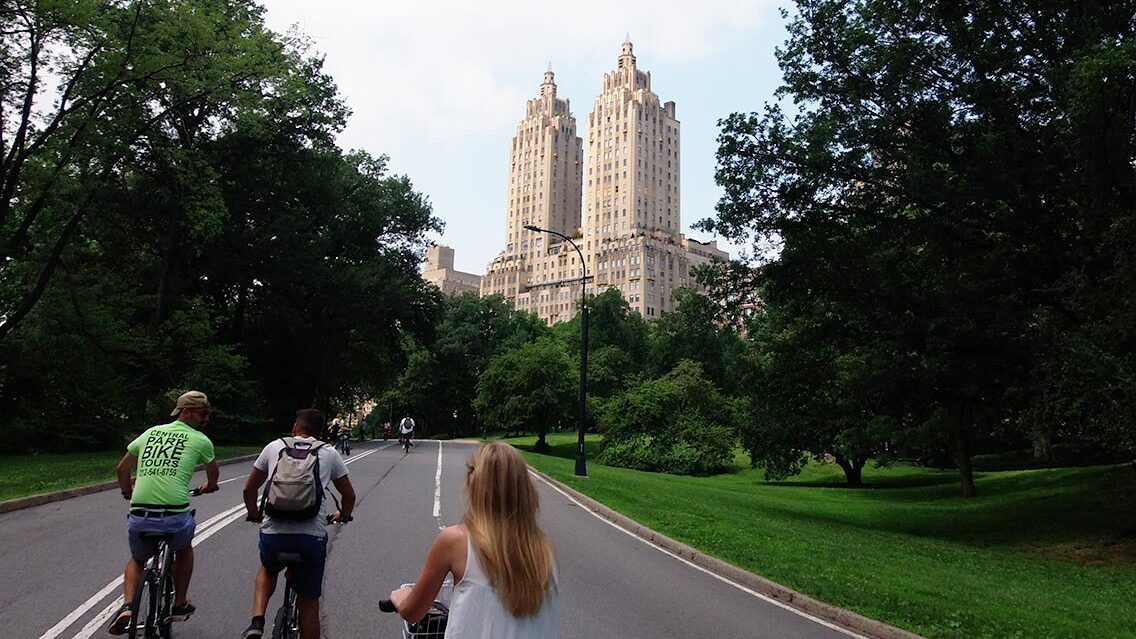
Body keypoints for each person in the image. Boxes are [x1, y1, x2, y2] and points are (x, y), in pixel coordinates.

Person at [388, 442, 558, 638]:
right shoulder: (545, 550)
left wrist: (401, 598)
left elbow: (413, 612)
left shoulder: (454, 541)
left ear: (474, 485)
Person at [108, 390, 220, 635]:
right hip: (174, 514)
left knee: (138, 559)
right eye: (203, 414)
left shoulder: (150, 433)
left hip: (140, 512)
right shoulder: (200, 440)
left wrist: (127, 492)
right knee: (184, 548)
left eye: (207, 414)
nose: (206, 419)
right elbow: (213, 476)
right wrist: (209, 487)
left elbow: (122, 467)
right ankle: (179, 603)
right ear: (187, 412)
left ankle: (128, 606)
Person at [240, 409, 356, 639]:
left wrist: (254, 514)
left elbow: (249, 489)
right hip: (310, 538)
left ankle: (256, 622)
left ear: (295, 428)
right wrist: (343, 514)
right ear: (320, 432)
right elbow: (349, 496)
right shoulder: (329, 453)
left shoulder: (274, 447)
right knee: (310, 604)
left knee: (268, 569)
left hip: (274, 534)